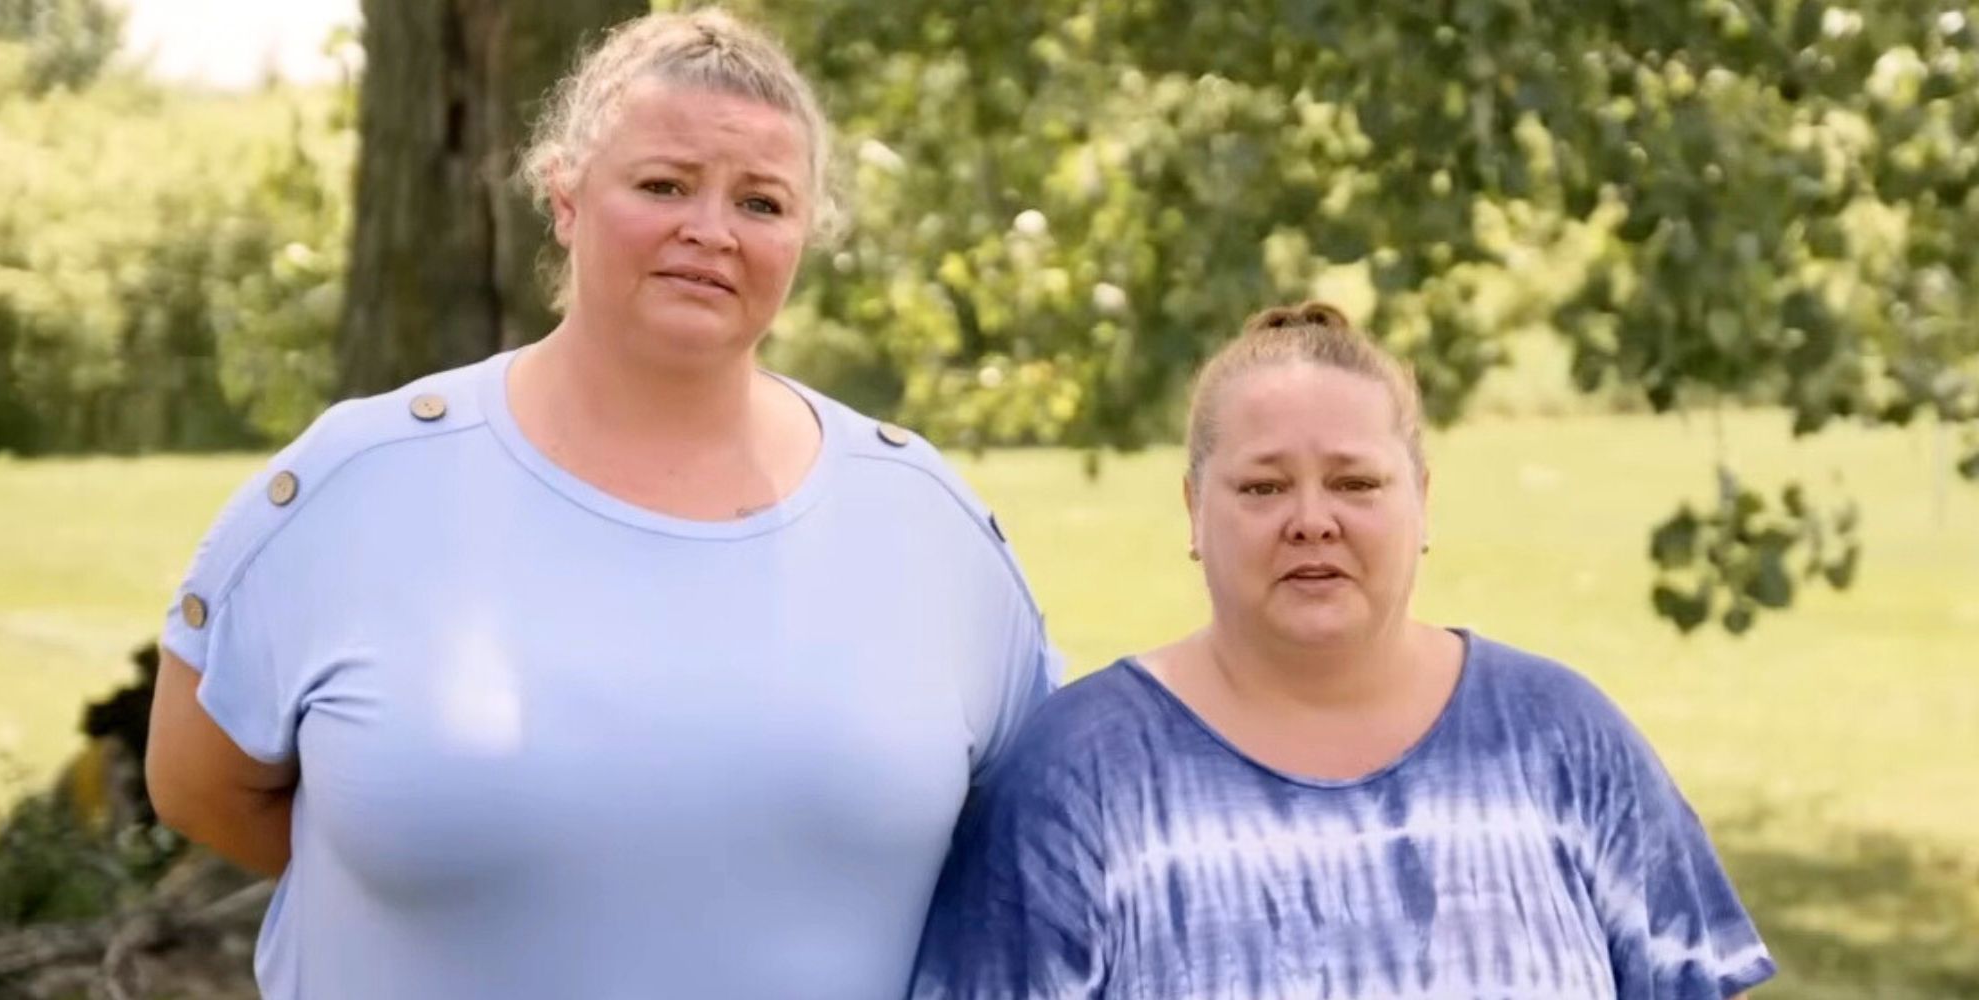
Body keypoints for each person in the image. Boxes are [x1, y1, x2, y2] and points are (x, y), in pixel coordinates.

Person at [143, 9, 1055, 999]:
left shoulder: (924, 525)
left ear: (806, 234)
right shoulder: (355, 484)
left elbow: (1027, 844)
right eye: (663, 185)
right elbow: (198, 785)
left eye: (761, 202)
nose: (709, 231)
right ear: (565, 196)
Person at [909, 301, 1775, 1000]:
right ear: (1194, 510)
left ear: (1421, 501)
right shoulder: (1079, 775)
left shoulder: (1562, 739)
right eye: (1263, 486)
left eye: (1356, 482)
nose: (1312, 520)